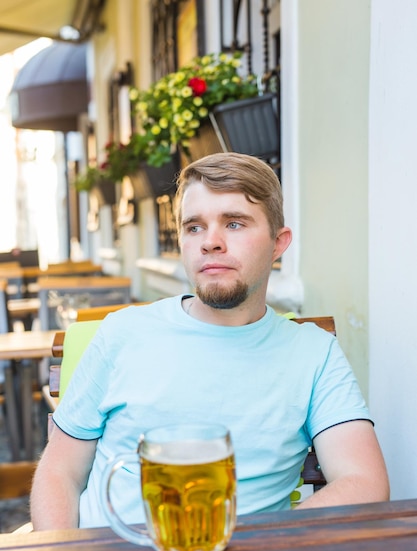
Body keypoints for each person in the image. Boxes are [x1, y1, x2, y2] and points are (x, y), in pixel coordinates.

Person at [30, 152, 389, 530]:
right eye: (194, 227)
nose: (210, 242)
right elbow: (60, 473)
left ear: (278, 243)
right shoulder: (122, 333)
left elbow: (363, 480)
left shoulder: (313, 353)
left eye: (234, 223)